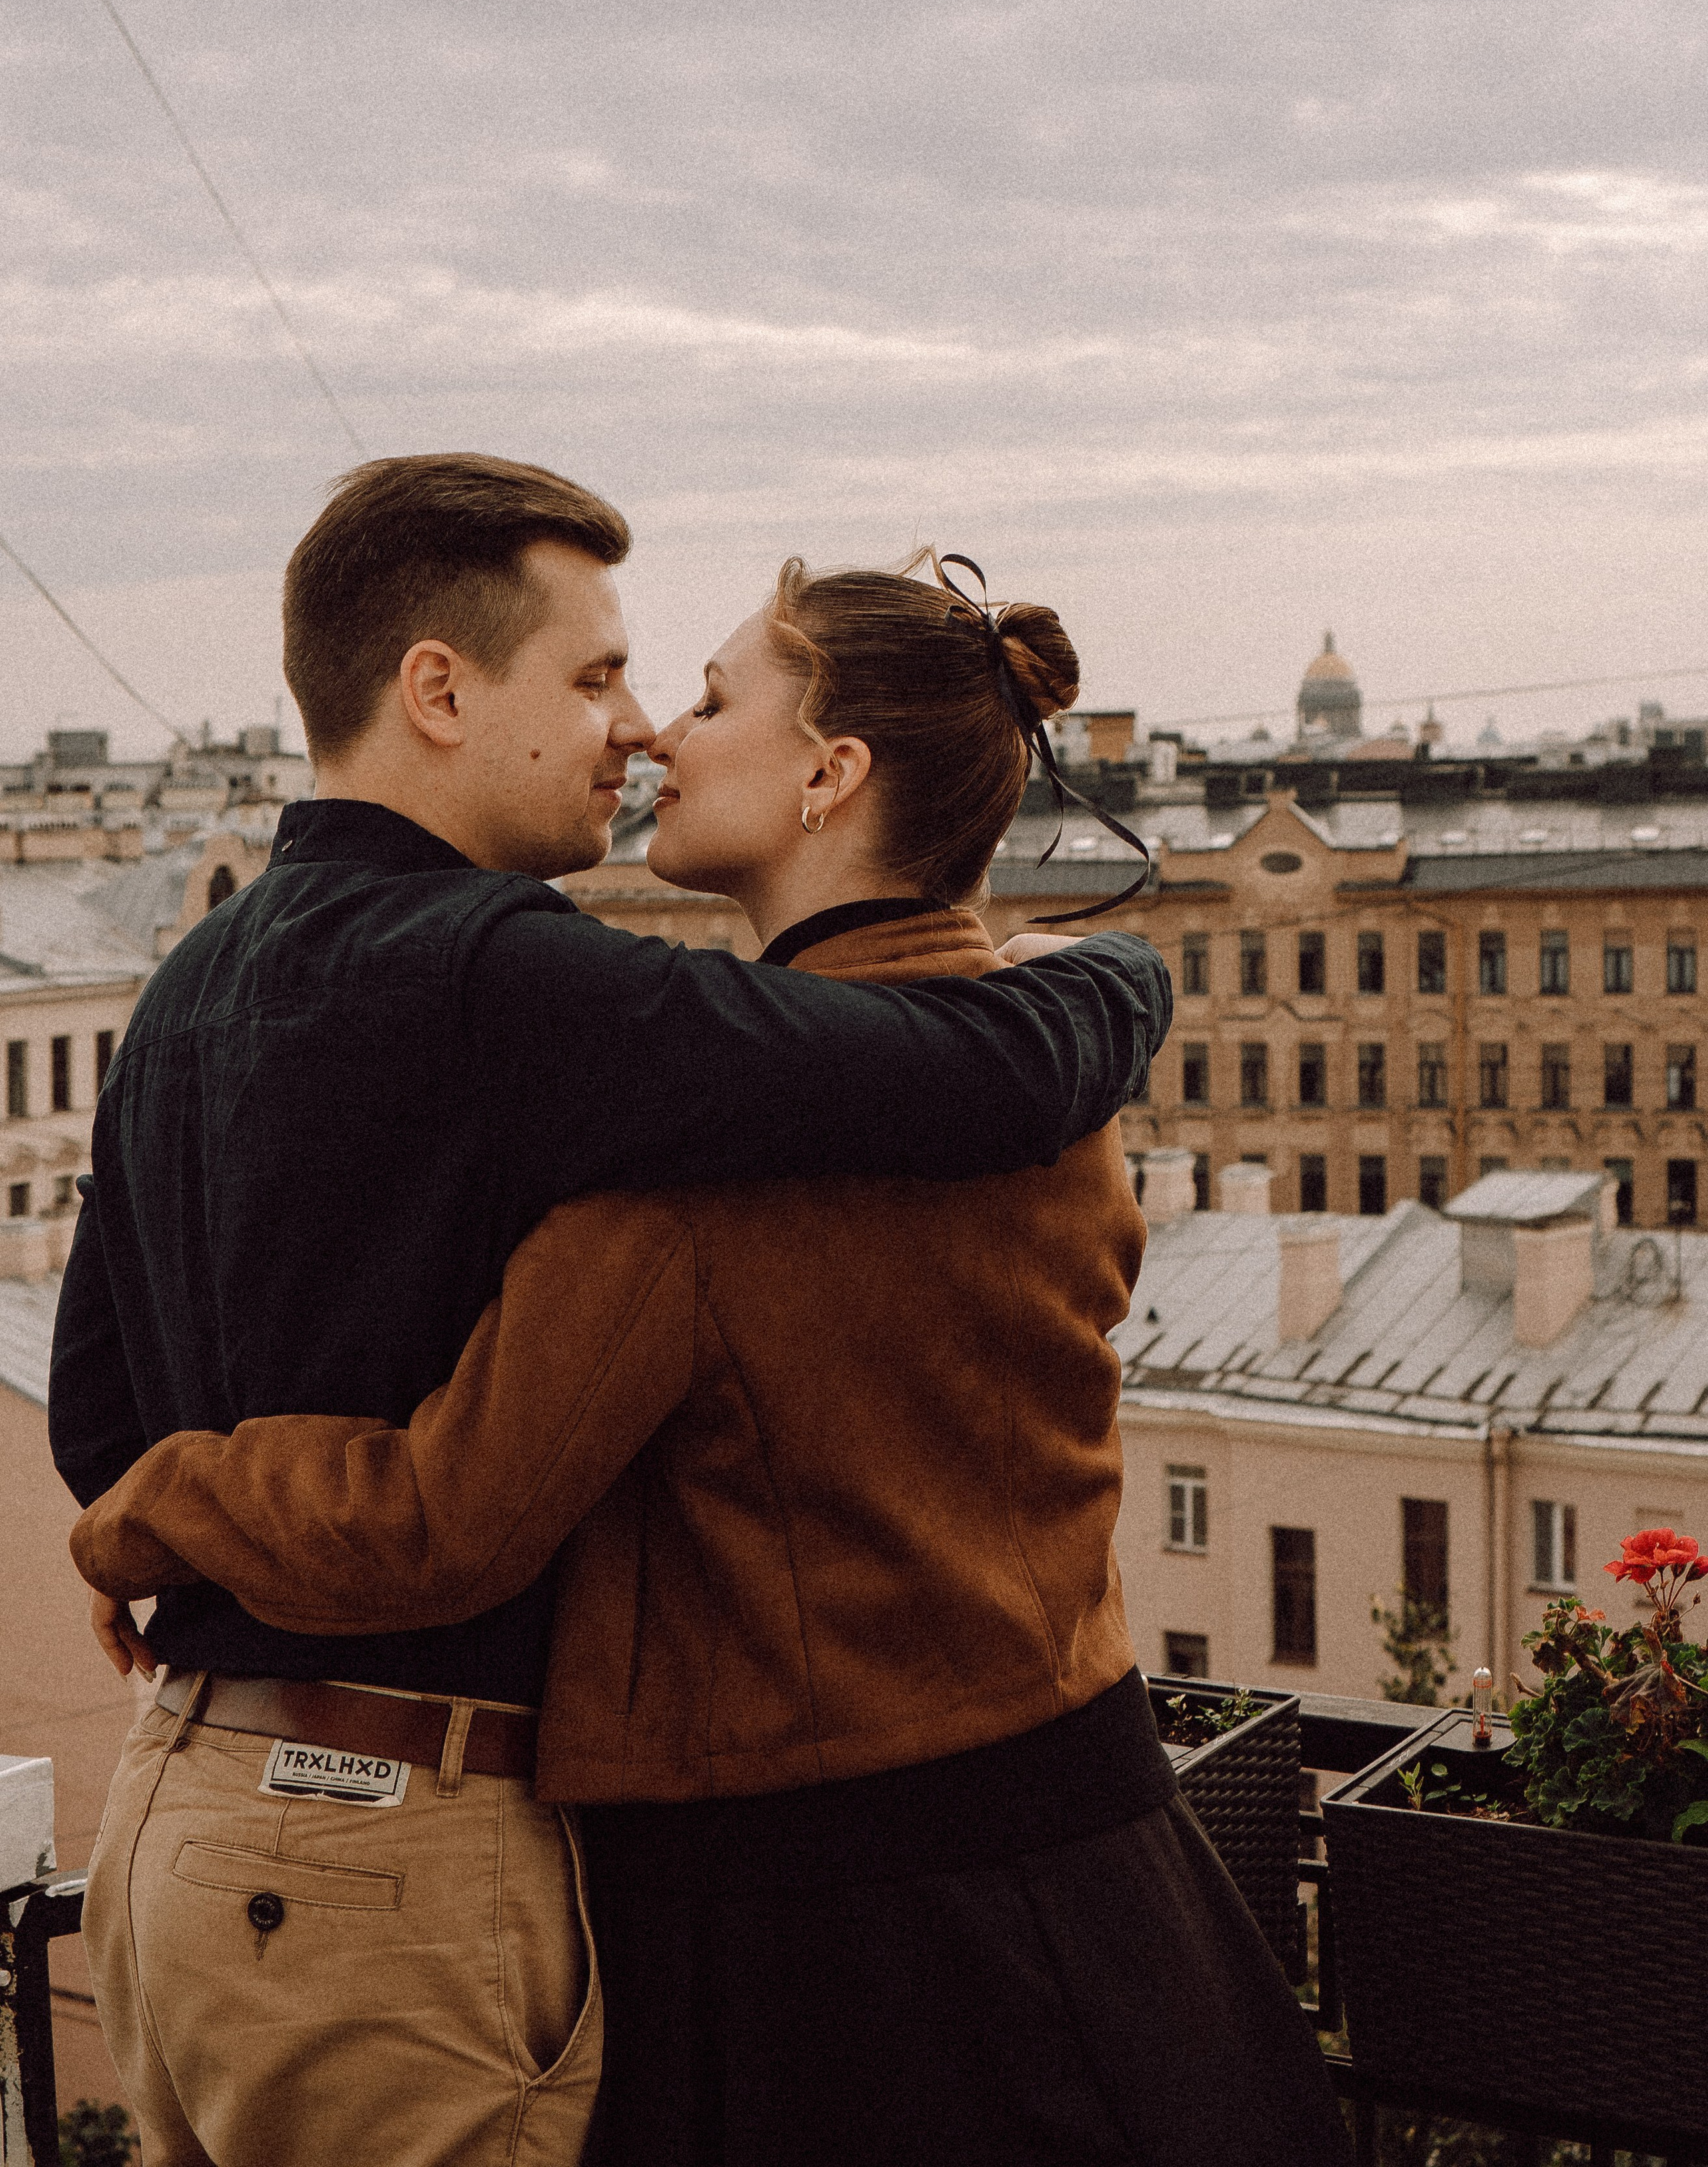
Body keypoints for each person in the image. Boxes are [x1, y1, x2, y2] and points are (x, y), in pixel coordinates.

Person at [73, 552, 1350, 2167]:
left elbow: (439, 1521)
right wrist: (1121, 971)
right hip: (1110, 1882)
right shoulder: (1045, 1104)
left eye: (706, 696)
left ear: (830, 775)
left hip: (831, 1939)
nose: (658, 734)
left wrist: (144, 1510)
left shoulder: (687, 1180)